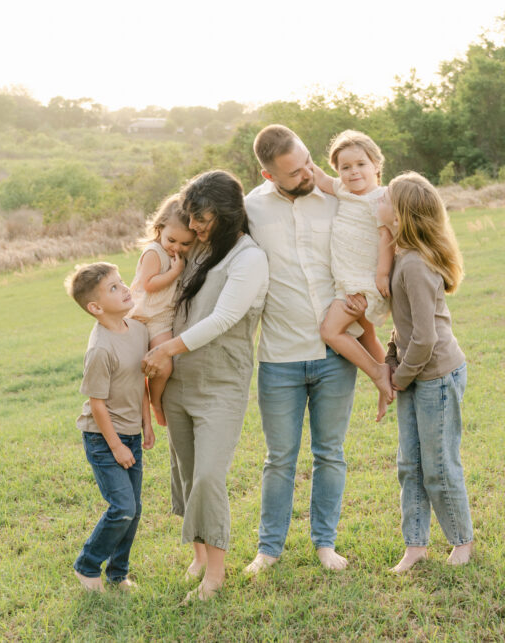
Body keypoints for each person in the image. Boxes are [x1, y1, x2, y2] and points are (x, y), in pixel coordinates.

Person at [243, 124, 368, 574]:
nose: (307, 173)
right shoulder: (250, 210)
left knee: (329, 454)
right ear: (269, 174)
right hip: (278, 358)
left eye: (307, 161)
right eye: (294, 172)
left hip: (337, 356)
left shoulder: (336, 197)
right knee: (279, 459)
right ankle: (269, 549)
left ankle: (325, 544)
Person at [140, 170, 269, 603]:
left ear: (228, 213)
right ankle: (197, 556)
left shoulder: (248, 259)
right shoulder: (197, 249)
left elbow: (224, 319)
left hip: (220, 384)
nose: (192, 226)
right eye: (190, 217)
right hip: (179, 383)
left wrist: (167, 350)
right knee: (186, 472)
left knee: (209, 476)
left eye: (201, 218)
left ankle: (214, 576)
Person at [377, 172, 474, 573]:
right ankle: (415, 545)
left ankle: (462, 541)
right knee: (409, 463)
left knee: (438, 465)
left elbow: (425, 337)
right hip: (415, 373)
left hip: (434, 375)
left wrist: (399, 378)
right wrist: (390, 359)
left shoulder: (415, 265)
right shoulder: (402, 257)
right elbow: (404, 328)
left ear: (400, 214)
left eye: (385, 199)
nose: (377, 203)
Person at [64, 261, 153, 592]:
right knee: (123, 507)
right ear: (96, 307)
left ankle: (118, 574)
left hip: (130, 432)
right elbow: (97, 404)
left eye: (121, 281)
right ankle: (87, 566)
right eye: (114, 287)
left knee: (135, 509)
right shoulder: (100, 348)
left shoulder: (138, 331)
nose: (125, 288)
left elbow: (139, 380)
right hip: (103, 438)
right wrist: (115, 445)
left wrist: (147, 423)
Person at [313, 129, 396, 419]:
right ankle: (388, 382)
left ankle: (376, 373)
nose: (353, 172)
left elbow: (387, 237)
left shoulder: (382, 197)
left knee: (330, 331)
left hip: (365, 281)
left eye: (361, 164)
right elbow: (321, 179)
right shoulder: (343, 191)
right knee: (366, 336)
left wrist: (383, 274)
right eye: (345, 167)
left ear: (376, 164)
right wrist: (302, 161)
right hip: (346, 281)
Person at [128, 194, 196, 425]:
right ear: (159, 229)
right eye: (172, 240)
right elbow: (149, 284)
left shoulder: (177, 255)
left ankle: (155, 399)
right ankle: (148, 403)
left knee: (166, 365)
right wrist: (175, 272)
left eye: (185, 244)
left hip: (163, 318)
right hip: (144, 314)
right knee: (148, 365)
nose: (177, 248)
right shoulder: (154, 252)